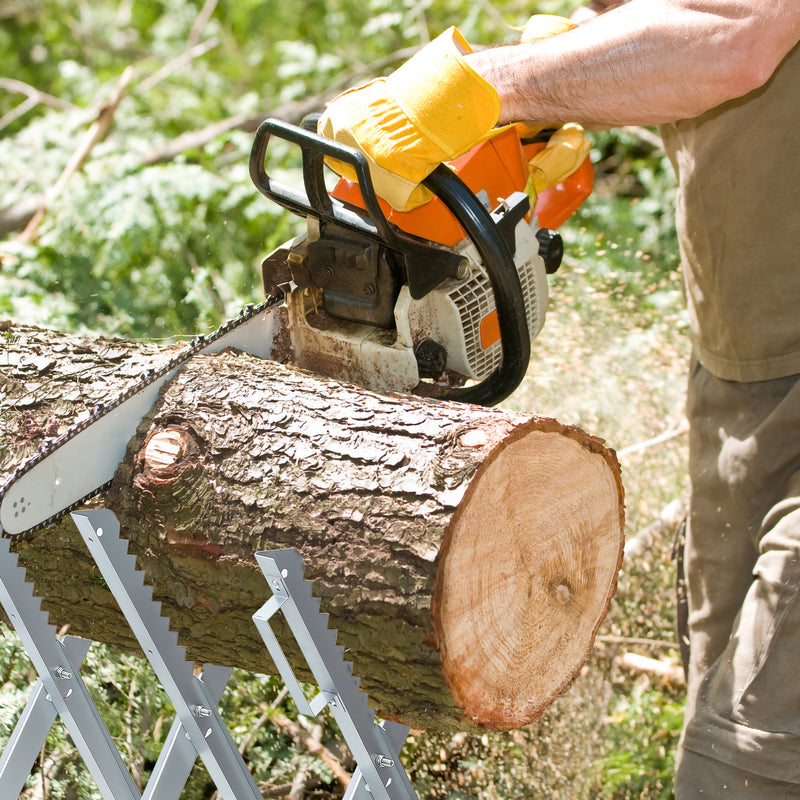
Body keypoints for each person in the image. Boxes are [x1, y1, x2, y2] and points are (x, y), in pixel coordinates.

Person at [318, 1, 800, 796]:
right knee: (721, 678)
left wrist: (489, 87)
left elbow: (737, 39)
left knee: (742, 762)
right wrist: (572, 66)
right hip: (745, 366)